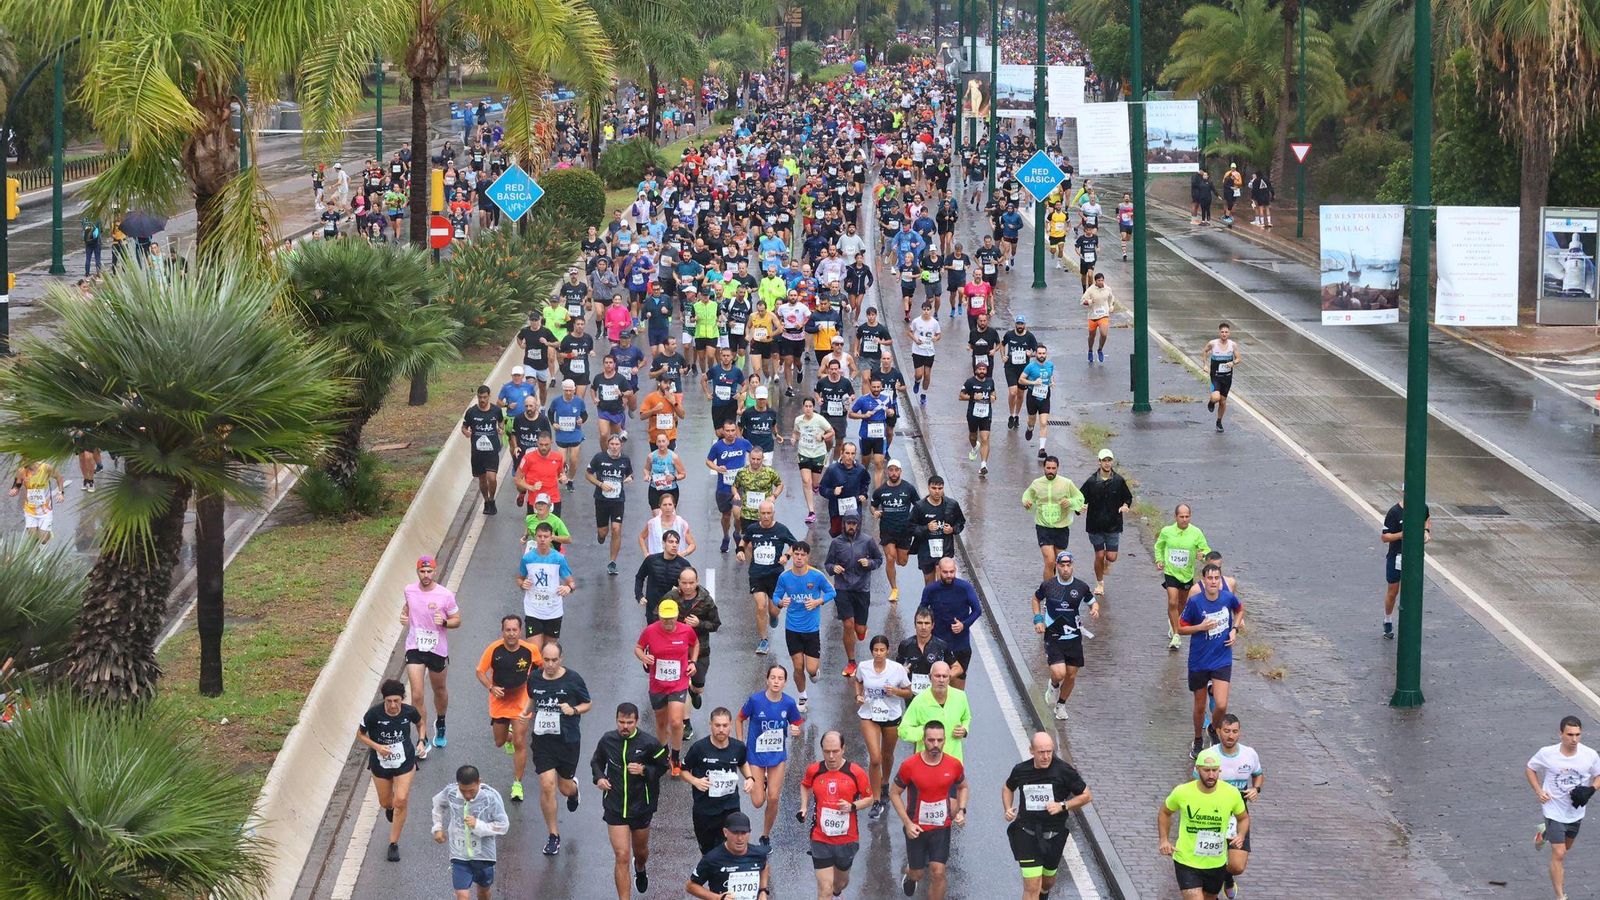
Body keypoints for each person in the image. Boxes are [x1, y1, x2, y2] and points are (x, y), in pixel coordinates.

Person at [592, 703, 670, 898]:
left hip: (641, 807)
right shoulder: (607, 740)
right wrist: (599, 778)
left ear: (636, 721)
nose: (624, 726)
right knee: (622, 856)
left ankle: (641, 868)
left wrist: (644, 770)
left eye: (629, 722)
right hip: (615, 805)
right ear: (616, 720)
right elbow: (596, 761)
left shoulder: (649, 743)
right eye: (621, 722)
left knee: (641, 852)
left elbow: (663, 766)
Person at [1003, 732, 1093, 900]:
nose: (1045, 756)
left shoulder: (1064, 771)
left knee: (1047, 882)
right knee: (1032, 886)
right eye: (1041, 752)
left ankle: (1043, 895)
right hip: (1026, 833)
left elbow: (1086, 795)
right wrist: (1007, 808)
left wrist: (1063, 806)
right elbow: (1008, 787)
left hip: (1053, 835)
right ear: (1031, 751)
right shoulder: (1021, 770)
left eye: (1049, 751)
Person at [524, 640, 590, 855]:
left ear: (561, 659)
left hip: (567, 740)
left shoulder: (573, 679)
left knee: (564, 787)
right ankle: (553, 835)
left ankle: (574, 791)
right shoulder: (534, 677)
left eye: (554, 660)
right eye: (546, 660)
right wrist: (525, 712)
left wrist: (573, 710)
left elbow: (587, 703)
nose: (550, 664)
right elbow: (532, 698)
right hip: (543, 741)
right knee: (546, 784)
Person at [890, 720, 969, 900]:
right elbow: (894, 793)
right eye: (931, 740)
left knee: (938, 872)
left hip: (941, 827)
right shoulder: (910, 765)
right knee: (918, 873)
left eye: (939, 740)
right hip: (916, 828)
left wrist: (961, 810)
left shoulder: (953, 765)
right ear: (923, 740)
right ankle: (911, 875)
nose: (935, 745)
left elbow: (963, 786)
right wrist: (907, 823)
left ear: (944, 741)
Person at [1160, 749, 1248, 900]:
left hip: (1216, 862)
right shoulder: (1182, 792)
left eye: (1215, 770)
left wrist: (1241, 835)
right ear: (1197, 769)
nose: (1211, 775)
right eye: (1206, 770)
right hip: (1187, 861)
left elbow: (1243, 818)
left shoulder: (1231, 793)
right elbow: (1165, 812)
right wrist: (1164, 839)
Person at [1529, 715, 1600, 900]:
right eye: (1570, 734)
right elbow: (1530, 768)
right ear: (1561, 734)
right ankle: (1561, 896)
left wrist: (1591, 789)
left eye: (1577, 735)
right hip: (1553, 809)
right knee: (1559, 853)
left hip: (1575, 812)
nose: (1574, 739)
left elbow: (1599, 775)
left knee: (1566, 849)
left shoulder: (1590, 755)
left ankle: (1543, 832)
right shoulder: (1547, 753)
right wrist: (1539, 791)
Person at [1178, 564, 1244, 759]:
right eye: (1210, 578)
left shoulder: (1227, 597)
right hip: (1199, 660)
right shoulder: (1195, 602)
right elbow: (1181, 629)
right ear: (1204, 580)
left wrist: (1235, 629)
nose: (1214, 582)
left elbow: (1240, 611)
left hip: (1222, 657)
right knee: (1200, 706)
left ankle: (1213, 730)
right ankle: (1198, 739)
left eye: (1217, 578)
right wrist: (1200, 627)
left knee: (1221, 705)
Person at [799, 730, 874, 899]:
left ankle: (838, 892)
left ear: (843, 749)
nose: (831, 756)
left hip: (847, 839)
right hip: (820, 837)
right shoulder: (814, 770)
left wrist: (852, 806)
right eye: (827, 752)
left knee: (840, 883)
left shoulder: (855, 772)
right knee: (825, 888)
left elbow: (870, 798)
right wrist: (803, 806)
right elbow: (805, 785)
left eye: (835, 751)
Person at [475, 615, 541, 801]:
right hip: (500, 702)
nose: (511, 633)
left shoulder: (530, 650)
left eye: (514, 630)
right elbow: (480, 671)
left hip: (521, 702)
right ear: (502, 631)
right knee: (499, 741)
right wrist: (491, 687)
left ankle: (517, 784)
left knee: (521, 742)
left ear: (520, 631)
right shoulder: (494, 649)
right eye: (507, 630)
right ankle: (508, 737)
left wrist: (536, 687)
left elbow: (540, 667)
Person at [400, 555, 460, 758]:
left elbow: (457, 620)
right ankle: (422, 737)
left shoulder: (445, 595)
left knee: (439, 689)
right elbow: (408, 609)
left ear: (435, 571)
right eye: (422, 571)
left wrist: (444, 622)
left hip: (436, 648)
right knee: (416, 694)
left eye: (429, 572)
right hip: (415, 646)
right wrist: (403, 616)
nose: (426, 575)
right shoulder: (409, 590)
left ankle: (441, 721)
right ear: (417, 572)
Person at [739, 664, 805, 846]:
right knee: (758, 802)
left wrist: (796, 729)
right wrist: (740, 743)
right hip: (756, 755)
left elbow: (797, 723)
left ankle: (765, 836)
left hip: (777, 756)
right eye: (773, 678)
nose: (776, 681)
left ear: (785, 682)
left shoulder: (789, 703)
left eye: (780, 678)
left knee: (774, 798)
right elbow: (739, 718)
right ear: (767, 680)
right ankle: (763, 782)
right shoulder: (755, 700)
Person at [358, 678, 422, 862]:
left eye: (397, 701)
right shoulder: (373, 714)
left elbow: (420, 723)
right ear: (384, 700)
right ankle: (390, 808)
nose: (393, 705)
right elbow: (360, 734)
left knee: (401, 799)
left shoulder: (409, 711)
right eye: (389, 701)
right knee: (386, 802)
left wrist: (422, 740)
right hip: (381, 764)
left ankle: (393, 843)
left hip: (404, 761)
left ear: (402, 699)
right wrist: (377, 747)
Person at [635, 598, 699, 773]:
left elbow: (695, 644)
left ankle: (676, 757)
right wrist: (643, 657)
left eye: (671, 618)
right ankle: (664, 754)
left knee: (676, 722)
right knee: (661, 722)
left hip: (679, 682)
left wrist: (693, 662)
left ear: (677, 615)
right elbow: (638, 647)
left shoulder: (686, 631)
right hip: (658, 684)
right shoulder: (650, 631)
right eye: (664, 618)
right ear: (659, 617)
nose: (668, 622)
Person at [854, 634, 913, 818]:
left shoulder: (897, 669)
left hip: (891, 715)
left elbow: (909, 692)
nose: (879, 653)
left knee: (887, 755)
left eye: (882, 650)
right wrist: (858, 695)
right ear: (871, 651)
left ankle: (885, 781)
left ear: (887, 651)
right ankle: (876, 799)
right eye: (875, 650)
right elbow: (858, 681)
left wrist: (895, 691)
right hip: (869, 714)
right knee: (875, 758)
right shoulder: (863, 666)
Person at [430, 765, 509, 900]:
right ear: (458, 784)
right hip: (459, 855)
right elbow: (438, 804)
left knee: (483, 892)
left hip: (484, 856)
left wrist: (478, 825)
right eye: (463, 790)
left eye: (471, 791)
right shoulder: (451, 792)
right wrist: (437, 828)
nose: (467, 795)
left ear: (479, 781)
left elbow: (503, 825)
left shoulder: (490, 797)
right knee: (462, 895)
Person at [683, 707, 755, 853]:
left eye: (725, 725)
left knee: (731, 849)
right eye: (717, 725)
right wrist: (696, 781)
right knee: (708, 854)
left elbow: (742, 763)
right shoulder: (699, 748)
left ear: (730, 725)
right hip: (705, 810)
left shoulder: (738, 747)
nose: (721, 729)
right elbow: (682, 771)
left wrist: (750, 778)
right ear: (711, 725)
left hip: (730, 808)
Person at [1207, 714, 1263, 897]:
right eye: (1227, 731)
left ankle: (1228, 877)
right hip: (1213, 814)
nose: (1231, 736)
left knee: (1237, 866)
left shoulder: (1249, 754)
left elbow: (1258, 774)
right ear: (1218, 731)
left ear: (1239, 733)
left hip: (1238, 816)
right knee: (1211, 859)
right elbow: (1196, 783)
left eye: (1235, 731)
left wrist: (1256, 789)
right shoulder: (1209, 756)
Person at [774, 540, 836, 705]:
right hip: (792, 628)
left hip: (811, 629)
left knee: (811, 669)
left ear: (808, 557)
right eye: (796, 554)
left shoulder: (816, 576)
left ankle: (815, 673)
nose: (799, 558)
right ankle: (802, 696)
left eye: (803, 555)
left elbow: (832, 592)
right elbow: (776, 596)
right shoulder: (785, 577)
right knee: (798, 666)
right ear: (792, 555)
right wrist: (781, 602)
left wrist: (818, 601)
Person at [659, 566, 721, 725]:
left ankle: (695, 693)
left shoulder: (706, 600)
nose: (687, 586)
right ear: (679, 582)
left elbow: (715, 624)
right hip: (676, 650)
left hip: (700, 650)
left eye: (691, 583)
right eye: (684, 583)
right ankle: (685, 723)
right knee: (681, 686)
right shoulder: (670, 598)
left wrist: (699, 623)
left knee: (697, 686)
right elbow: (657, 618)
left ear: (697, 582)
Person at [825, 514, 884, 676]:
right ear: (844, 525)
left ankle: (862, 629)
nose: (851, 526)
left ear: (858, 525)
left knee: (859, 628)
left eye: (854, 523)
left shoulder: (867, 541)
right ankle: (851, 662)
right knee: (848, 624)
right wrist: (833, 568)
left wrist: (869, 563)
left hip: (862, 589)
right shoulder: (836, 543)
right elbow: (828, 564)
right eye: (848, 523)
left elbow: (879, 560)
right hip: (842, 588)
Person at [739, 500, 798, 655]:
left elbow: (795, 545)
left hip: (775, 576)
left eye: (768, 513)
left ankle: (773, 616)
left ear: (773, 513)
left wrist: (786, 555)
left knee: (773, 610)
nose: (765, 516)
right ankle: (764, 640)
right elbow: (744, 540)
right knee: (760, 606)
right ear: (759, 514)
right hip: (757, 575)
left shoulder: (781, 529)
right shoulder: (753, 529)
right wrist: (739, 551)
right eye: (763, 513)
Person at [1155, 504, 1211, 651]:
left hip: (1186, 574)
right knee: (1172, 601)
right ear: (1176, 517)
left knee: (1182, 603)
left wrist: (1203, 555)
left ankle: (1173, 622)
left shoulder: (1196, 532)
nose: (1184, 520)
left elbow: (1206, 549)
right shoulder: (1167, 531)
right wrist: (1159, 560)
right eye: (1181, 517)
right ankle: (1176, 634)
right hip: (1171, 572)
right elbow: (1159, 546)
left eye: (1187, 516)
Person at [1021, 456, 1087, 581]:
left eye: (1053, 468)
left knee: (1061, 562)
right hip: (1043, 526)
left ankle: (1061, 588)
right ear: (1044, 468)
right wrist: (1027, 503)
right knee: (1050, 561)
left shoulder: (1066, 483)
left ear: (1058, 468)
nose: (1050, 471)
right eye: (1048, 468)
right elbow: (1026, 496)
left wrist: (1070, 502)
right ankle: (1049, 592)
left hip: (1061, 527)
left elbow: (1080, 498)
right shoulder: (1037, 483)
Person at [919, 559, 982, 688]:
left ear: (955, 570)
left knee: (957, 691)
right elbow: (922, 611)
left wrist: (964, 625)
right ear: (939, 571)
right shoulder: (931, 589)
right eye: (945, 572)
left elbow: (977, 610)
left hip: (960, 645)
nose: (949, 575)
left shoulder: (965, 587)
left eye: (952, 572)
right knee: (937, 687)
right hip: (938, 645)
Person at [1081, 448, 1134, 597]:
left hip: (1113, 525)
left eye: (1109, 460)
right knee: (1099, 555)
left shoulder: (1118, 480)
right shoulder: (1092, 481)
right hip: (1095, 525)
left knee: (1111, 557)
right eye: (1104, 460)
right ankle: (1100, 583)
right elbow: (1080, 498)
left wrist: (1125, 506)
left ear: (1112, 462)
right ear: (1099, 462)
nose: (1107, 463)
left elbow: (1128, 497)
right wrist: (1080, 507)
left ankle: (1106, 563)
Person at [1381, 487, 1431, 640]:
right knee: (1393, 590)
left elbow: (1427, 519)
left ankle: (1410, 623)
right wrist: (1402, 534)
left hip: (1414, 556)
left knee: (1413, 590)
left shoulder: (1422, 508)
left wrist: (1426, 532)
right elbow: (1385, 537)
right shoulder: (1394, 512)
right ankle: (1387, 619)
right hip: (1396, 555)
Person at [516, 523, 575, 651]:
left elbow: (571, 582)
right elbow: (519, 578)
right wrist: (522, 583)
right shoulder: (527, 558)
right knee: (534, 651)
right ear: (535, 537)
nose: (542, 539)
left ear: (551, 538)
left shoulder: (559, 559)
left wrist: (568, 588)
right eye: (539, 536)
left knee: (549, 652)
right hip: (533, 611)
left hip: (553, 611)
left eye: (546, 536)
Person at [686, 811, 771, 900]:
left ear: (749, 832)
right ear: (725, 832)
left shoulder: (758, 854)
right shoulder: (712, 859)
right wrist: (718, 898)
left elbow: (764, 867)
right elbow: (690, 886)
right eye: (735, 833)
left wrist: (763, 890)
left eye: (744, 833)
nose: (740, 838)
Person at [871, 459, 920, 603]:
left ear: (900, 471)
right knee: (890, 558)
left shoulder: (908, 489)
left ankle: (900, 559)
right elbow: (873, 506)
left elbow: (918, 506)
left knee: (902, 561)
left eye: (896, 470)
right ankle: (894, 589)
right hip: (887, 530)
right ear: (887, 471)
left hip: (904, 530)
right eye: (891, 470)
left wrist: (916, 522)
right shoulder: (881, 490)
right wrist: (875, 512)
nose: (893, 473)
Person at [586, 434, 634, 575]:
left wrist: (629, 479)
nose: (614, 447)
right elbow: (588, 474)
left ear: (621, 446)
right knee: (603, 532)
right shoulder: (599, 458)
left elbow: (630, 474)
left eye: (617, 444)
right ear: (608, 445)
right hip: (601, 499)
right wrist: (600, 484)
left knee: (616, 528)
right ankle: (601, 536)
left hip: (618, 500)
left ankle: (612, 562)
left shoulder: (625, 459)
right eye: (612, 444)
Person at [706, 419, 756, 552]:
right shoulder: (718, 446)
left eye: (733, 430)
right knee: (726, 515)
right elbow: (708, 461)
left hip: (739, 487)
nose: (730, 433)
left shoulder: (743, 443)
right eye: (727, 431)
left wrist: (751, 467)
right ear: (723, 431)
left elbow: (755, 455)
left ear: (736, 430)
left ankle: (737, 533)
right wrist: (717, 468)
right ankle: (726, 536)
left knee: (738, 514)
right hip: (723, 487)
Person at [910, 476, 965, 585]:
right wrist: (926, 528)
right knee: (929, 584)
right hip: (926, 550)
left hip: (945, 549)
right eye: (934, 488)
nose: (937, 491)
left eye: (940, 488)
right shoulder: (920, 507)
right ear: (928, 488)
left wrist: (952, 529)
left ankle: (942, 602)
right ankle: (930, 601)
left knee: (944, 582)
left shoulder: (952, 504)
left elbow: (961, 522)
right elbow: (910, 527)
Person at [790, 396, 836, 523]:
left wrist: (822, 437)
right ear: (803, 407)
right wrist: (794, 438)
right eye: (806, 406)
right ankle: (811, 511)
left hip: (818, 454)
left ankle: (816, 487)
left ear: (813, 407)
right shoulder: (798, 420)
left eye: (810, 406)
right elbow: (796, 432)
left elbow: (831, 432)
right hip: (803, 453)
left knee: (815, 483)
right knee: (806, 481)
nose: (808, 409)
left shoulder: (820, 419)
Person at [461, 385, 503, 515]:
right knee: (482, 479)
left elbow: (501, 422)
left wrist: (500, 429)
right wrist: (466, 433)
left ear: (489, 396)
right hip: (478, 452)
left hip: (492, 451)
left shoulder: (496, 410)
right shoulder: (471, 412)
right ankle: (486, 501)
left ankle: (492, 499)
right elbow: (464, 427)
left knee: (492, 478)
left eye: (485, 397)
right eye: (480, 397)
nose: (482, 400)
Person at [1017, 344, 1056, 458]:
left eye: (1044, 353)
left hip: (1044, 396)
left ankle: (1041, 449)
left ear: (1046, 354)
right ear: (1036, 355)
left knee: (1043, 422)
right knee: (1031, 420)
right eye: (1039, 353)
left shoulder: (1050, 365)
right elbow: (1021, 380)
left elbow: (1050, 376)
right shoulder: (1030, 367)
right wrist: (1033, 383)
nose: (1042, 355)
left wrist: (1051, 382)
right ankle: (1030, 428)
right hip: (1032, 396)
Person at [514, 432, 565, 516]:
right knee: (533, 528)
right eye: (541, 445)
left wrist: (563, 479)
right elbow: (517, 479)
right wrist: (531, 487)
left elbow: (561, 475)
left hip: (553, 499)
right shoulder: (528, 458)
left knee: (553, 528)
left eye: (546, 445)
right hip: (535, 499)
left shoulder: (558, 457)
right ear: (537, 443)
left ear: (551, 443)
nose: (543, 447)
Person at [548, 379, 589, 481]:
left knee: (574, 461)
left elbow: (584, 414)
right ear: (563, 390)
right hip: (561, 434)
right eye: (566, 390)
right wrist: (553, 423)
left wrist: (581, 420)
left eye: (570, 390)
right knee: (561, 461)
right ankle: (563, 473)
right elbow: (550, 412)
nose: (568, 392)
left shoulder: (579, 401)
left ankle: (570, 478)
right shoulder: (556, 401)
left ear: (574, 390)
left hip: (575, 433)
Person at [1203, 323, 1240, 433]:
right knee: (1216, 398)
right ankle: (1211, 402)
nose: (1224, 334)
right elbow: (1204, 351)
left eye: (1226, 332)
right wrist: (1205, 365)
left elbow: (1238, 358)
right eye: (1222, 332)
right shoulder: (1213, 344)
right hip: (1215, 376)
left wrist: (1233, 363)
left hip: (1227, 378)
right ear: (1219, 333)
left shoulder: (1233, 345)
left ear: (1229, 333)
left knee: (1223, 402)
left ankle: (1219, 422)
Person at [638, 492, 696, 556]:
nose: (667, 507)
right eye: (664, 505)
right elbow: (641, 537)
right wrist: (646, 554)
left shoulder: (681, 523)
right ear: (660, 506)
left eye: (670, 504)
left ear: (674, 505)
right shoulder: (652, 523)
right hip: (657, 562)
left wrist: (682, 554)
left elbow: (692, 544)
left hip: (676, 562)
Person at [644, 430, 689, 512]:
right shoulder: (651, 456)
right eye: (659, 441)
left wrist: (674, 477)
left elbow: (683, 474)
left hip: (671, 490)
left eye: (663, 441)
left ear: (668, 442)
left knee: (669, 516)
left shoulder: (674, 457)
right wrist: (647, 475)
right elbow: (646, 469)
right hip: (655, 489)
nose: (661, 444)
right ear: (656, 443)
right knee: (658, 516)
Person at [1081, 272, 1115, 363]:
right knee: (1092, 335)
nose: (1101, 282)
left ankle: (1100, 349)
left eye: (1102, 280)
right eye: (1099, 280)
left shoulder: (1107, 289)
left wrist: (1111, 306)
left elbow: (1112, 299)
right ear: (1095, 281)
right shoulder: (1090, 290)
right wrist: (1089, 302)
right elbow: (1082, 301)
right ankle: (1090, 350)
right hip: (1093, 316)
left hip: (1104, 315)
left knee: (1104, 334)